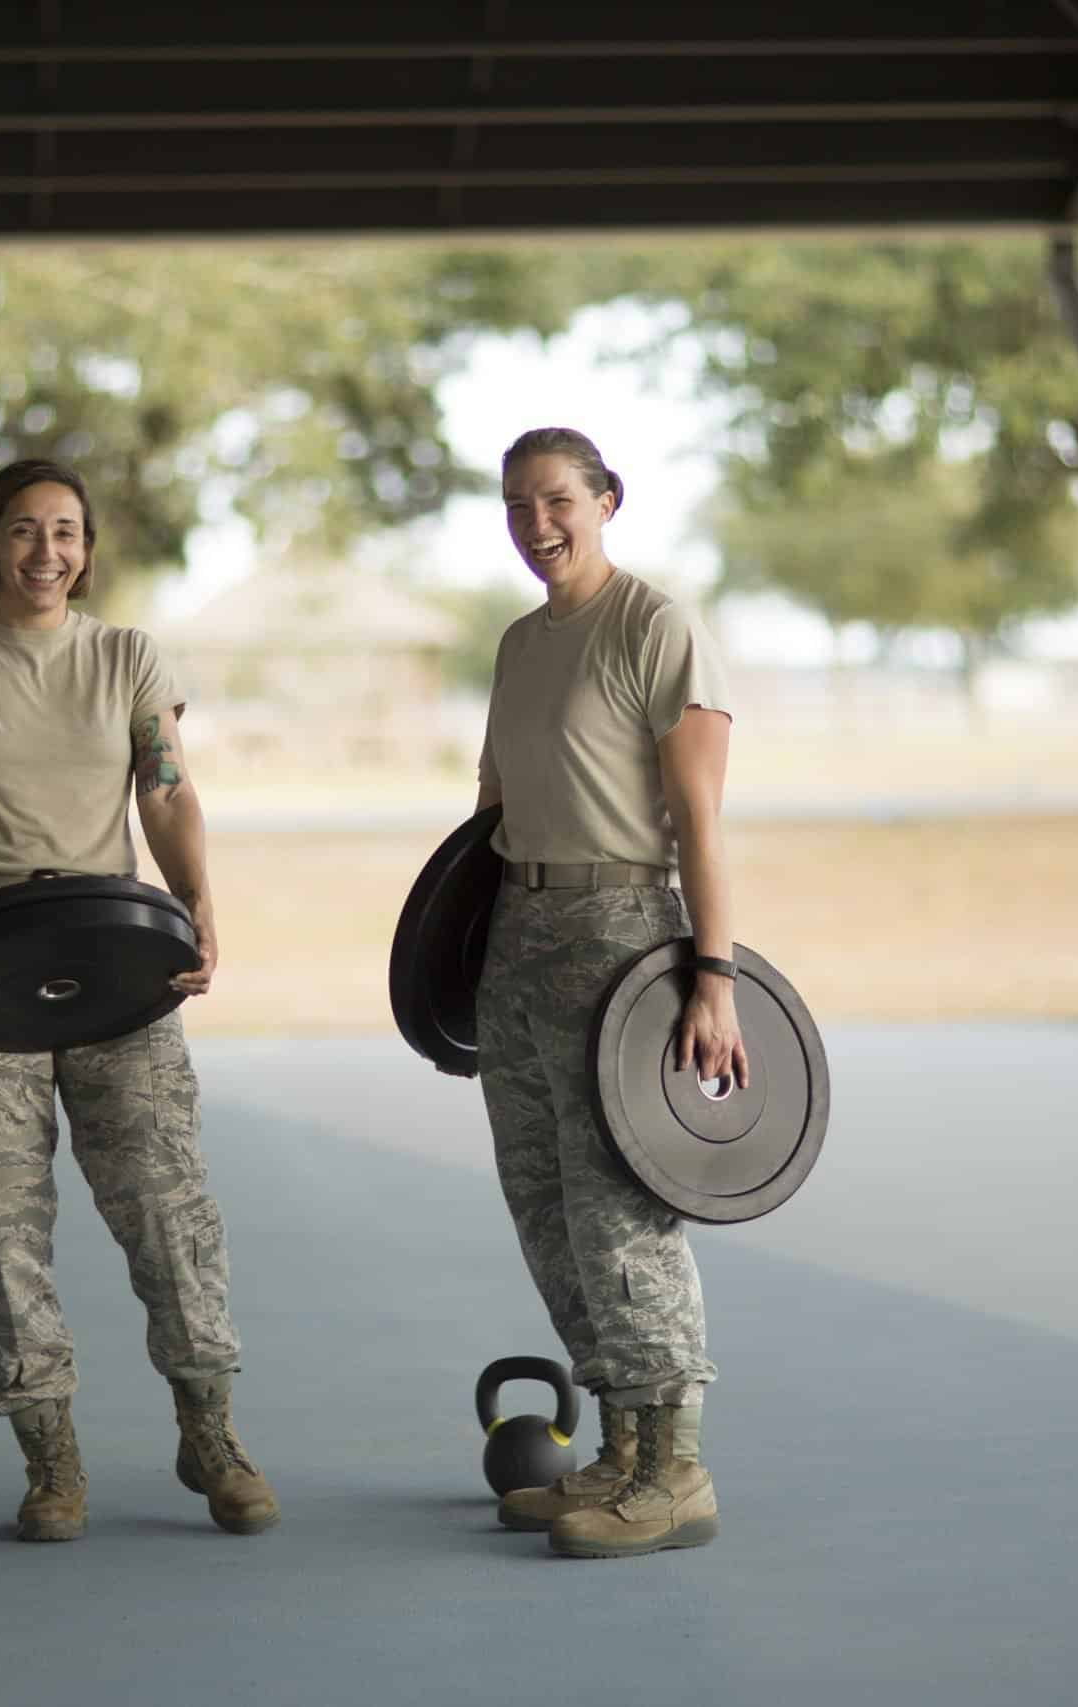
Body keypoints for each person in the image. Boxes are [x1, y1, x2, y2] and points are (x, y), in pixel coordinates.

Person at [0, 457, 276, 1543]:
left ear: (86, 548)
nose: (44, 551)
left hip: (116, 958)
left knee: (167, 1209)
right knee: (1, 1226)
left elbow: (165, 783)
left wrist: (196, 899)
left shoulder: (128, 656)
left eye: (64, 531)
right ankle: (51, 1462)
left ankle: (211, 1436)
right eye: (22, 531)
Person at [474, 426, 740, 1560]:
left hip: (623, 933)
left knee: (620, 1211)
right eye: (517, 504)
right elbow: (486, 812)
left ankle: (675, 1469)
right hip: (517, 934)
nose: (538, 523)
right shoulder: (519, 643)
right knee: (545, 1205)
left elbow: (699, 821)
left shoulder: (655, 627)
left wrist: (711, 976)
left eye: (557, 500)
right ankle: (621, 1452)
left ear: (605, 500)